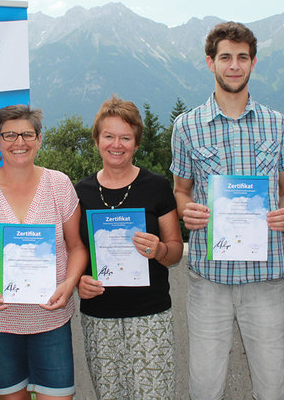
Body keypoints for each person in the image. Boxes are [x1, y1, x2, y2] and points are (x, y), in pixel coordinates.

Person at [170, 21, 284, 400]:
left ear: (253, 63)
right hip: (209, 279)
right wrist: (187, 211)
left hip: (265, 279)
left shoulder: (277, 124)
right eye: (225, 57)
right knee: (205, 386)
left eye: (243, 57)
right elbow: (180, 190)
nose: (234, 65)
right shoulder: (187, 125)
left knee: (272, 386)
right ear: (210, 62)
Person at [0, 104, 87, 400]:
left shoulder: (59, 184)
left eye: (28, 134)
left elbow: (77, 247)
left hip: (50, 317)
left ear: (39, 139)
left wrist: (69, 285)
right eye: (10, 135)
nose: (20, 143)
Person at [75, 96, 184, 399]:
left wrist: (160, 250)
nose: (117, 144)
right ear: (97, 140)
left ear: (136, 143)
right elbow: (75, 251)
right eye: (109, 136)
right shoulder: (80, 192)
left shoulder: (157, 186)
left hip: (149, 316)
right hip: (99, 318)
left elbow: (175, 250)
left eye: (126, 137)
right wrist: (79, 282)